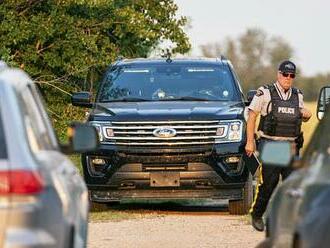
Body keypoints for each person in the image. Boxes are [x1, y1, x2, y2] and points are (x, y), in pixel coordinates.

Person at [245, 60, 312, 232]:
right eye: (285, 74)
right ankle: (257, 214)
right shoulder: (265, 93)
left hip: (291, 146)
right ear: (278, 74)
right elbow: (252, 116)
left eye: (291, 75)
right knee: (269, 184)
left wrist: (307, 114)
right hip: (273, 146)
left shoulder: (298, 95)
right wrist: (250, 142)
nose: (288, 78)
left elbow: (302, 116)